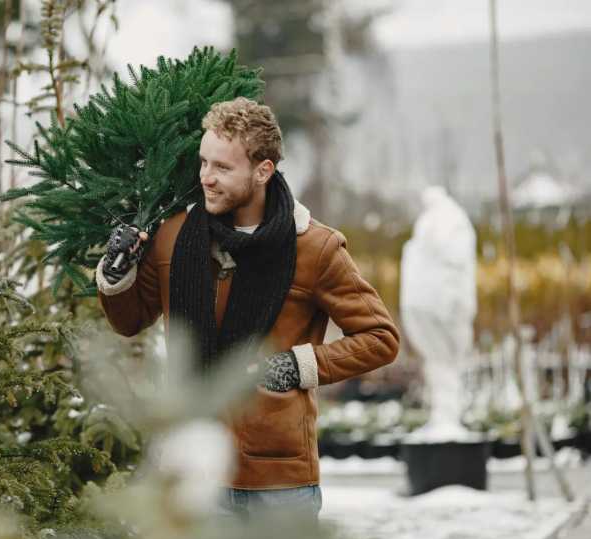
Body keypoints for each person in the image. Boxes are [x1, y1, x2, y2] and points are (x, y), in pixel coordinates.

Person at [95, 97, 400, 517]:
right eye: (203, 163)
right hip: (192, 474)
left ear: (263, 170)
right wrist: (115, 274)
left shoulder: (314, 247)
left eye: (222, 167)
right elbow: (129, 322)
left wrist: (299, 366)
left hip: (280, 482)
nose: (206, 178)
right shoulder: (173, 238)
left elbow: (381, 339)